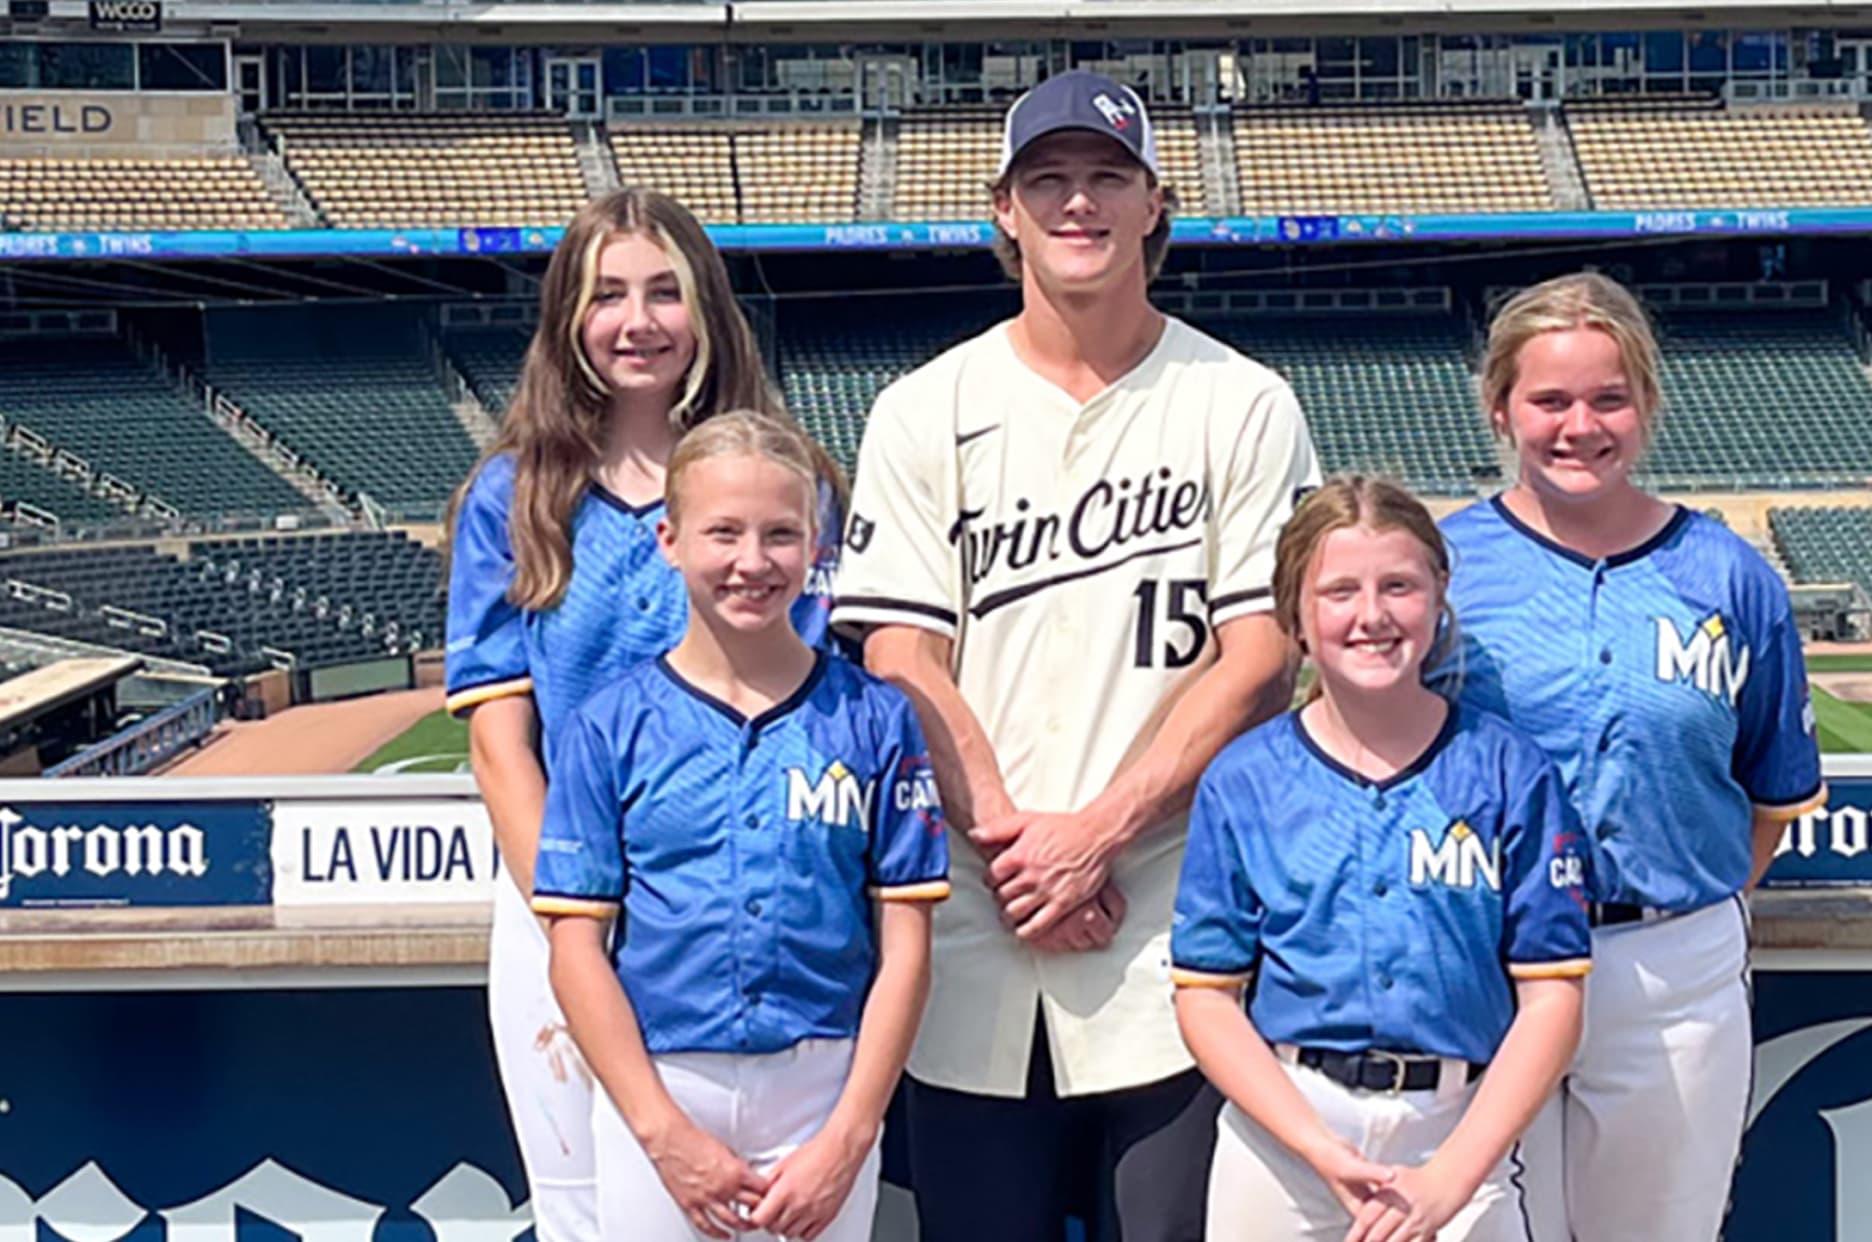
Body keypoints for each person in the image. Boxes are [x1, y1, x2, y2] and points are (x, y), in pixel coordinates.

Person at [829, 68, 1322, 1240]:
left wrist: (1097, 834)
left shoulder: (1243, 401)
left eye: (1108, 176)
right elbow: (899, 655)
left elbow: (1260, 658)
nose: (1079, 202)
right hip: (974, 928)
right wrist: (1021, 850)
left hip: (1172, 938)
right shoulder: (922, 408)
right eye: (1047, 179)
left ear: (1156, 204)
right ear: (1004, 210)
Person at [443, 187, 846, 1241]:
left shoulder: (786, 483)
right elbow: (500, 744)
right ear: (568, 318)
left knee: (765, 1208)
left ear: (707, 308)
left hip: (744, 891)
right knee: (586, 1209)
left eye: (665, 292)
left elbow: (811, 705)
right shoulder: (514, 496)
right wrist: (578, 912)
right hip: (563, 904)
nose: (637, 321)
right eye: (607, 294)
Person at [1438, 273, 1826, 1242]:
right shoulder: (1442, 571)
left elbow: (1770, 793)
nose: (1581, 426)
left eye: (1608, 398)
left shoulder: (1729, 576)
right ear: (1499, 408)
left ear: (1647, 405)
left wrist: (1671, 920)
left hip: (1669, 970)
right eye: (1550, 400)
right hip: (1485, 959)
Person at [535, 411, 947, 1242]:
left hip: (823, 1087)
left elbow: (906, 946)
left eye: (781, 534)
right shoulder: (609, 725)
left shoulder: (874, 717)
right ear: (669, 540)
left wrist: (851, 1133)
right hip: (661, 1081)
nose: (752, 562)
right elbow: (576, 947)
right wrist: (662, 1133)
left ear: (815, 547)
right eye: (723, 532)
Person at [1173, 476, 1592, 1242]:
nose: (1371, 616)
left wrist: (1450, 1180)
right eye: (1339, 591)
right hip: (1287, 1136)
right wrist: (1317, 1148)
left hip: (1459, 1134)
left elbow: (1552, 999)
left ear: (1439, 594)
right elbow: (1206, 998)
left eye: (1398, 586)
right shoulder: (1244, 780)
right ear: (1295, 613)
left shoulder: (1510, 772)